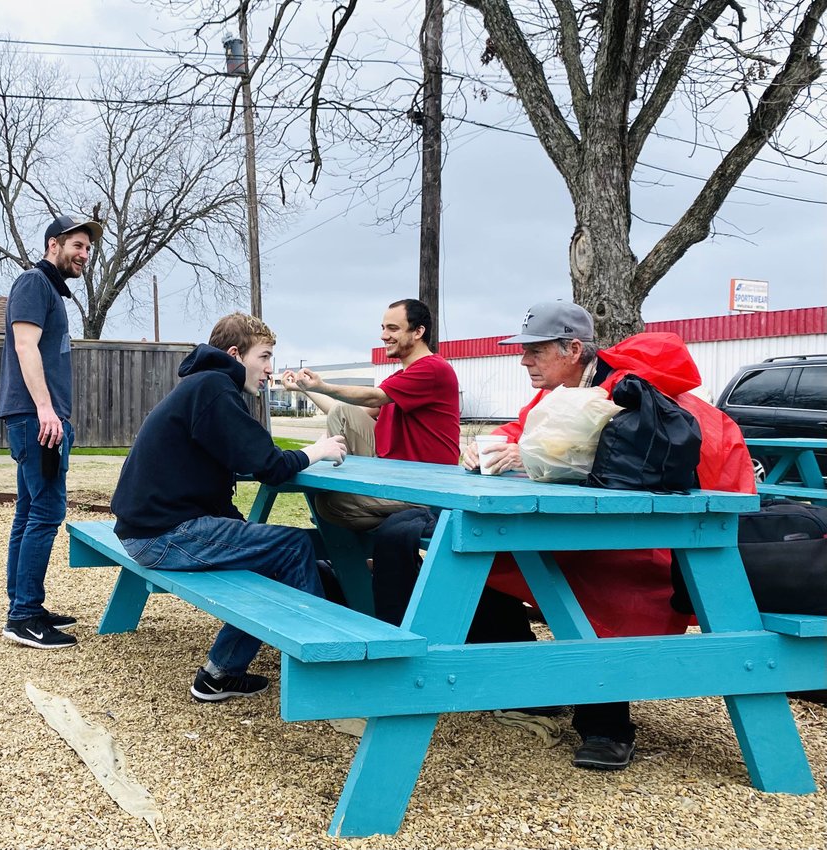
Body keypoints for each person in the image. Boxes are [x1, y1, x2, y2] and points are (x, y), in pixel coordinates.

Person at [460, 300, 755, 771]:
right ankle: (530, 687)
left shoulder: (628, 394)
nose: (523, 360)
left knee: (598, 590)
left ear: (573, 348)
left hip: (663, 544)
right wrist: (491, 443)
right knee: (471, 560)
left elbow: (623, 467)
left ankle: (608, 728)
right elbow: (526, 430)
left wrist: (536, 458)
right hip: (602, 535)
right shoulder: (569, 389)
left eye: (534, 351)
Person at [111, 313, 348, 703]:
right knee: (293, 547)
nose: (270, 370)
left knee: (269, 554)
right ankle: (325, 675)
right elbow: (271, 467)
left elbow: (216, 484)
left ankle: (219, 675)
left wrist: (247, 533)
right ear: (236, 354)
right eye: (265, 357)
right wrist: (316, 450)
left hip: (149, 529)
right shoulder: (214, 389)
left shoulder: (203, 386)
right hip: (160, 534)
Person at [0, 215, 103, 650]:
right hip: (36, 419)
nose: (84, 255)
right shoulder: (33, 284)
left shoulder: (51, 292)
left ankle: (25, 604)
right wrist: (46, 410)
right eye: (78, 245)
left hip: (36, 418)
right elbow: (25, 346)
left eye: (88, 249)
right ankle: (23, 618)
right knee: (46, 512)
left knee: (29, 510)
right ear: (53, 244)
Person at [281, 298, 460, 531]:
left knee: (331, 505)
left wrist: (322, 386)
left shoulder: (432, 369)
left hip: (425, 486)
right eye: (383, 328)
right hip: (395, 474)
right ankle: (389, 533)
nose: (384, 336)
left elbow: (373, 397)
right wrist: (306, 388)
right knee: (325, 504)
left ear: (418, 332)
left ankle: (408, 525)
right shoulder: (404, 375)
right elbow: (345, 413)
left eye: (393, 328)